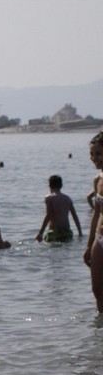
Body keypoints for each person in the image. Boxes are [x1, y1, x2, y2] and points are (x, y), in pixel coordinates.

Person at [82, 133, 103, 311]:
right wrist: (89, 245)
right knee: (97, 290)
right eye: (91, 154)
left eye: (98, 153)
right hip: (100, 239)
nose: (93, 158)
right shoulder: (98, 180)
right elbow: (96, 214)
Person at [35, 175, 82, 243]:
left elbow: (48, 215)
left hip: (54, 232)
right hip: (67, 232)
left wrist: (40, 233)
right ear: (61, 185)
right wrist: (80, 232)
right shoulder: (67, 198)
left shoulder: (49, 198)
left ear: (49, 186)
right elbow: (75, 216)